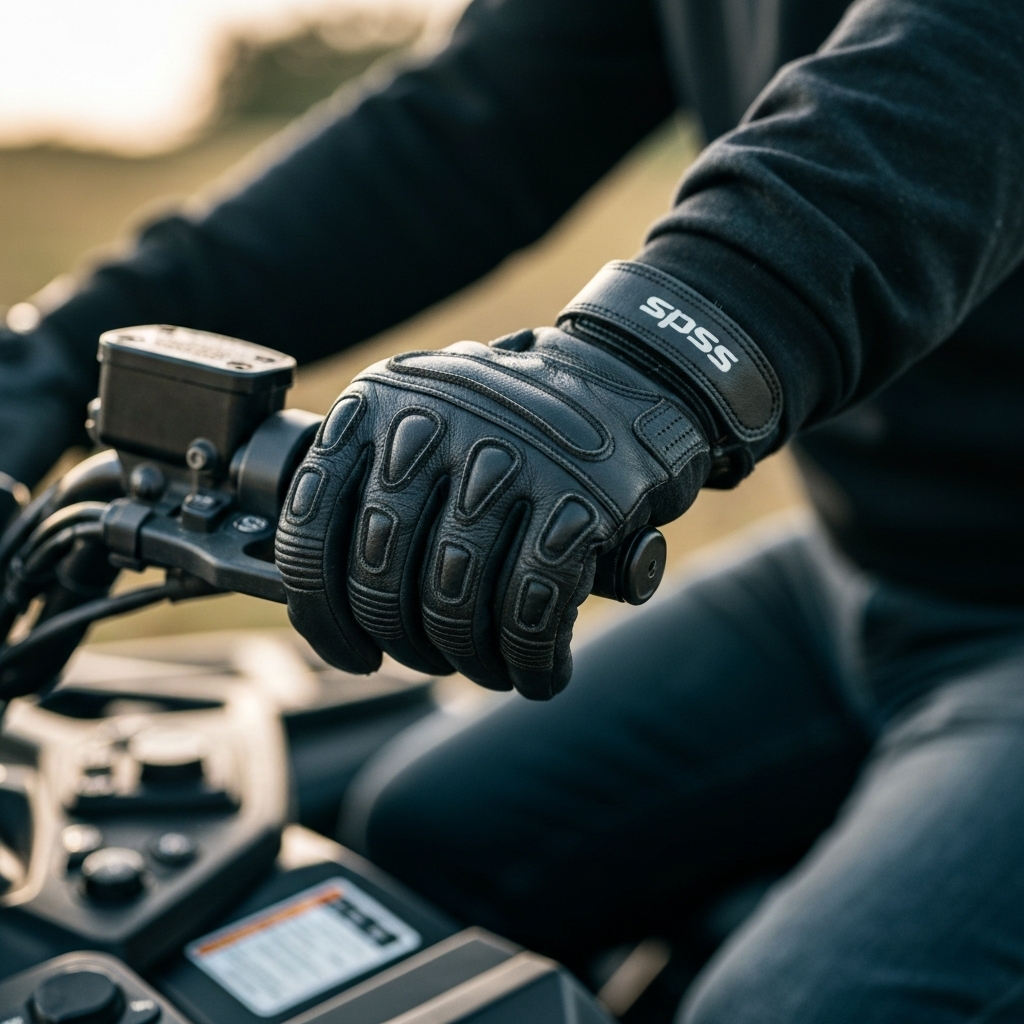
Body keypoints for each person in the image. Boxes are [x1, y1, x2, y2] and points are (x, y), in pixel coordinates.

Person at [4, 0, 1024, 1018]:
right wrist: (53, 353)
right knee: (429, 832)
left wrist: (640, 364)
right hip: (868, 570)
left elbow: (978, 59)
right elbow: (473, 126)